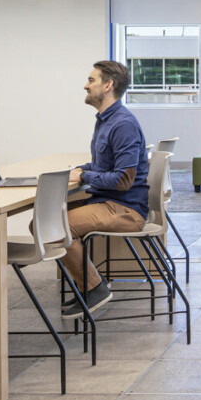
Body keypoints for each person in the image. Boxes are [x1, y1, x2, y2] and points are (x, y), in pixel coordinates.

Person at [59, 60, 150, 317]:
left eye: (91, 80)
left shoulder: (123, 124)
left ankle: (95, 288)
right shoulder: (106, 120)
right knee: (41, 224)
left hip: (125, 208)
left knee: (52, 228)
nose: (85, 85)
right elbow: (105, 165)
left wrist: (86, 175)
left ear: (108, 85)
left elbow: (123, 180)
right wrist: (79, 170)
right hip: (107, 202)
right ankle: (90, 286)